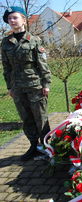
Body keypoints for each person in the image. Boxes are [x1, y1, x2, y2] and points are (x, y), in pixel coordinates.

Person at [1, 6, 51, 161]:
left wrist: (46, 83)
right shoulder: (5, 42)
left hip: (34, 85)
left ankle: (47, 146)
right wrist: (9, 86)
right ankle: (33, 145)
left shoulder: (34, 40)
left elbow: (42, 64)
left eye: (15, 17)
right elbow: (6, 67)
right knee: (26, 117)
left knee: (40, 117)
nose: (12, 21)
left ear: (23, 19)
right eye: (9, 19)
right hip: (17, 87)